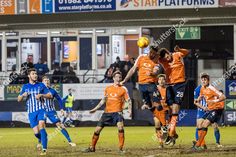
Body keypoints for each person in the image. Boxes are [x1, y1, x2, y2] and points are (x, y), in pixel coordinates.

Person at [84, 71, 132, 153]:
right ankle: (92, 148)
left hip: (118, 113)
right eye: (116, 77)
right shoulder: (108, 88)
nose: (118, 78)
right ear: (113, 78)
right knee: (97, 131)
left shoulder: (123, 89)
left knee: (120, 128)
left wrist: (129, 110)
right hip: (107, 113)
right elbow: (103, 100)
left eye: (120, 77)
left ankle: (120, 148)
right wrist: (95, 109)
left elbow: (129, 100)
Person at [158, 45, 189, 146]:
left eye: (166, 56)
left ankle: (171, 133)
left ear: (168, 53)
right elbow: (154, 58)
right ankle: (174, 133)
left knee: (175, 109)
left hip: (180, 85)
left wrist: (179, 49)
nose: (166, 59)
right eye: (164, 58)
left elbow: (186, 52)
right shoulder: (163, 61)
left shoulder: (177, 55)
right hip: (169, 86)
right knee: (171, 110)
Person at [17, 68, 52, 156]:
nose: (35, 75)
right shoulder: (25, 87)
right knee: (36, 133)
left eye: (36, 73)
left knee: (41, 126)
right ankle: (42, 139)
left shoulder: (41, 85)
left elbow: (50, 95)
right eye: (33, 74)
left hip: (41, 109)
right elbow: (18, 99)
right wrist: (23, 95)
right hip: (31, 112)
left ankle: (44, 149)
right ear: (29, 76)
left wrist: (41, 95)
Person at [121, 45, 162, 113]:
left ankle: (159, 106)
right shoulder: (141, 57)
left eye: (154, 53)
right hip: (141, 85)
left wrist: (152, 73)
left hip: (151, 85)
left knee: (158, 105)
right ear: (149, 50)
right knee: (149, 105)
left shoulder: (156, 60)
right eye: (151, 52)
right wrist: (125, 80)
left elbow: (155, 71)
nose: (152, 54)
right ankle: (152, 110)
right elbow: (133, 69)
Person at [192, 73, 226, 151]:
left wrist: (214, 101)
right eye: (202, 80)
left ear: (208, 81)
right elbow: (201, 96)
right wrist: (198, 99)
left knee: (206, 124)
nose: (203, 81)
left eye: (205, 80)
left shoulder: (212, 88)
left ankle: (198, 145)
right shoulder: (202, 88)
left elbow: (223, 97)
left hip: (216, 109)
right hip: (210, 109)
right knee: (200, 125)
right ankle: (200, 144)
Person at [42, 76, 76, 147]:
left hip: (51, 111)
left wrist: (61, 109)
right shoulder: (39, 90)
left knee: (60, 125)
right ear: (42, 82)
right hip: (42, 111)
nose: (47, 82)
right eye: (45, 80)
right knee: (42, 126)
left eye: (48, 80)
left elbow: (60, 99)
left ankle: (70, 141)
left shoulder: (53, 91)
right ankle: (40, 142)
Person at [153, 74, 170, 148]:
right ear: (158, 81)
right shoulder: (154, 89)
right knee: (157, 124)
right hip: (157, 110)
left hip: (166, 110)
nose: (161, 81)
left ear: (165, 81)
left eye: (163, 79)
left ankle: (170, 136)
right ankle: (160, 143)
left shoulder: (168, 89)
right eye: (160, 79)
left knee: (165, 129)